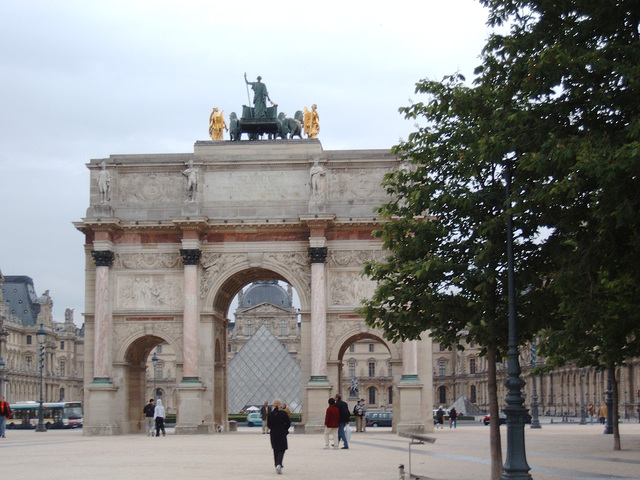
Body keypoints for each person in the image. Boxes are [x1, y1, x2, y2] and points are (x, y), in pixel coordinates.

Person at [267, 399, 291, 475]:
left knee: (275, 450)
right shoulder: (283, 414)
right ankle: (279, 464)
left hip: (273, 434)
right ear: (280, 404)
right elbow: (288, 423)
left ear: (273, 405)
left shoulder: (270, 414)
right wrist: (285, 429)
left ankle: (277, 464)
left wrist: (273, 429)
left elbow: (269, 425)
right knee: (282, 449)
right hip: (282, 433)